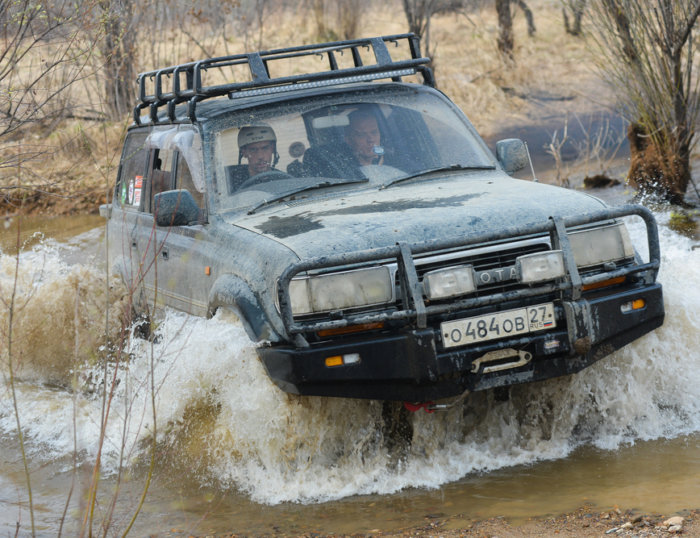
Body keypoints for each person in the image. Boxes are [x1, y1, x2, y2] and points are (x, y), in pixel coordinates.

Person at [227, 125, 279, 192]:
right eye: (253, 150)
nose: (260, 156)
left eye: (265, 148)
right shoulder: (231, 182)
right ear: (244, 152)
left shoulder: (284, 180)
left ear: (273, 149)